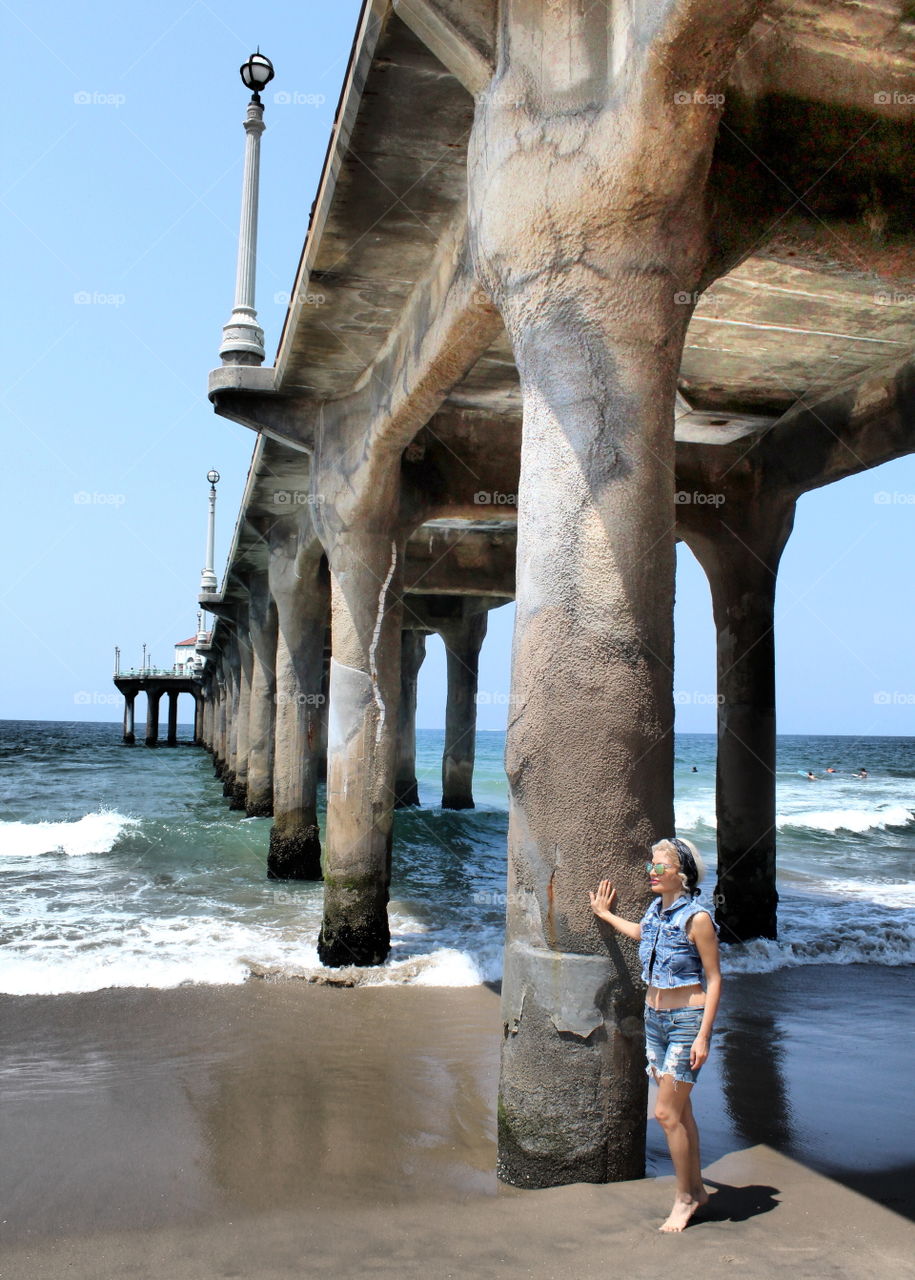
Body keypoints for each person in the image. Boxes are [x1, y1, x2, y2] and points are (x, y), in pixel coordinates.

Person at [589, 837, 721, 1232]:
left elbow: (714, 980)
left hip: (686, 1022)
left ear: (681, 874)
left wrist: (704, 1037)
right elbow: (642, 935)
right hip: (656, 1022)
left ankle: (683, 1199)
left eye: (660, 866)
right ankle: (697, 1190)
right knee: (682, 1111)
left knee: (665, 1113)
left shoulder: (697, 919)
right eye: (651, 865)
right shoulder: (656, 912)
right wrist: (606, 915)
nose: (652, 871)